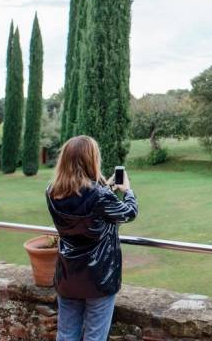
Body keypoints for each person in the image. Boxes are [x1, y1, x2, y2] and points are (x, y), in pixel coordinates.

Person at [46, 135, 138, 341]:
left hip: (68, 275)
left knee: (66, 335)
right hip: (99, 278)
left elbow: (84, 204)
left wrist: (107, 189)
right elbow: (129, 213)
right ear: (91, 159)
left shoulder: (52, 191)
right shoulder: (100, 196)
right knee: (95, 337)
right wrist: (128, 190)